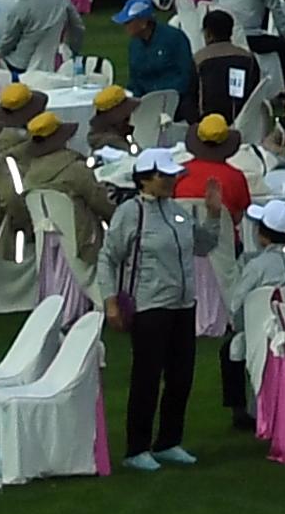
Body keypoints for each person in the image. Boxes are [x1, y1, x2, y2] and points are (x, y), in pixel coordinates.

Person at [94, 148, 221, 473]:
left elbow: (203, 246)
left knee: (181, 377)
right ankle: (137, 448)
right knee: (147, 378)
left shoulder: (177, 211)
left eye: (171, 175)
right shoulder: (129, 214)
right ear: (145, 179)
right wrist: (110, 301)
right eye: (163, 176)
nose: (170, 181)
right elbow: (108, 257)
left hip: (182, 304)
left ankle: (168, 441)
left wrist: (214, 215)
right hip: (149, 305)